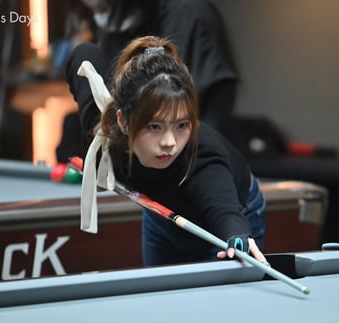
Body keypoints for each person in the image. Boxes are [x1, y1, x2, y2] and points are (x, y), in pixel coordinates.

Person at [66, 36, 266, 266]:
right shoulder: (103, 125)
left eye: (181, 125)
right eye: (154, 127)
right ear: (122, 121)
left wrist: (237, 237)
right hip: (161, 213)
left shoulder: (200, 158)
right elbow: (83, 52)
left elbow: (226, 213)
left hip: (228, 223)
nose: (170, 143)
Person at [57, 0, 239, 162]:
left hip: (190, 160)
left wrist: (187, 160)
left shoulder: (190, 13)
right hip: (134, 161)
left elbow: (219, 103)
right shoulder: (112, 27)